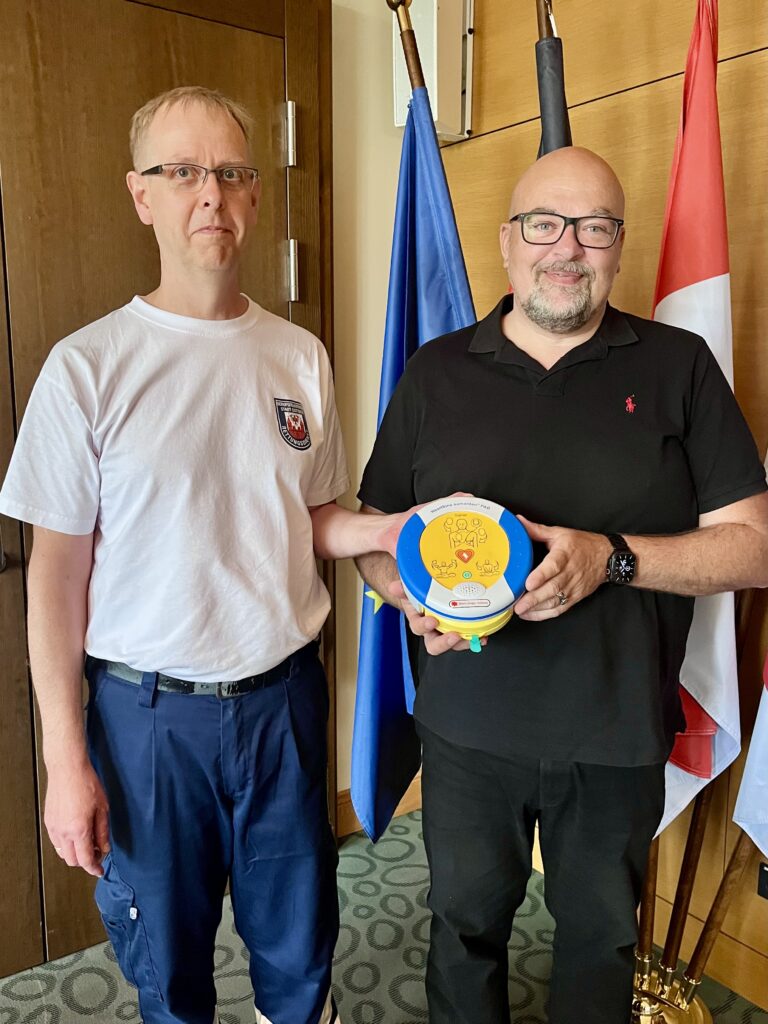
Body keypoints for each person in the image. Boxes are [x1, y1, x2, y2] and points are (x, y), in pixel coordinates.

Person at [0, 86, 408, 1024]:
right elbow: (55, 584)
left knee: (300, 955)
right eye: (181, 173)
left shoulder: (299, 356)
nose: (209, 196)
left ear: (257, 194)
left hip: (284, 708)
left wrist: (388, 536)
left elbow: (313, 519)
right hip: (148, 722)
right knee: (168, 972)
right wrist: (67, 761)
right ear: (141, 194)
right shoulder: (86, 368)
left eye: (229, 172)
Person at [355, 146, 768, 1024]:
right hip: (467, 729)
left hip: (615, 729)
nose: (567, 247)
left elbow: (754, 547)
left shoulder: (679, 364)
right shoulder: (436, 371)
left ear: (620, 247)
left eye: (595, 227)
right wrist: (406, 596)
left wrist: (611, 558)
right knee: (462, 932)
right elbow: (376, 534)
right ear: (508, 241)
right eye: (544, 224)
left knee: (601, 945)